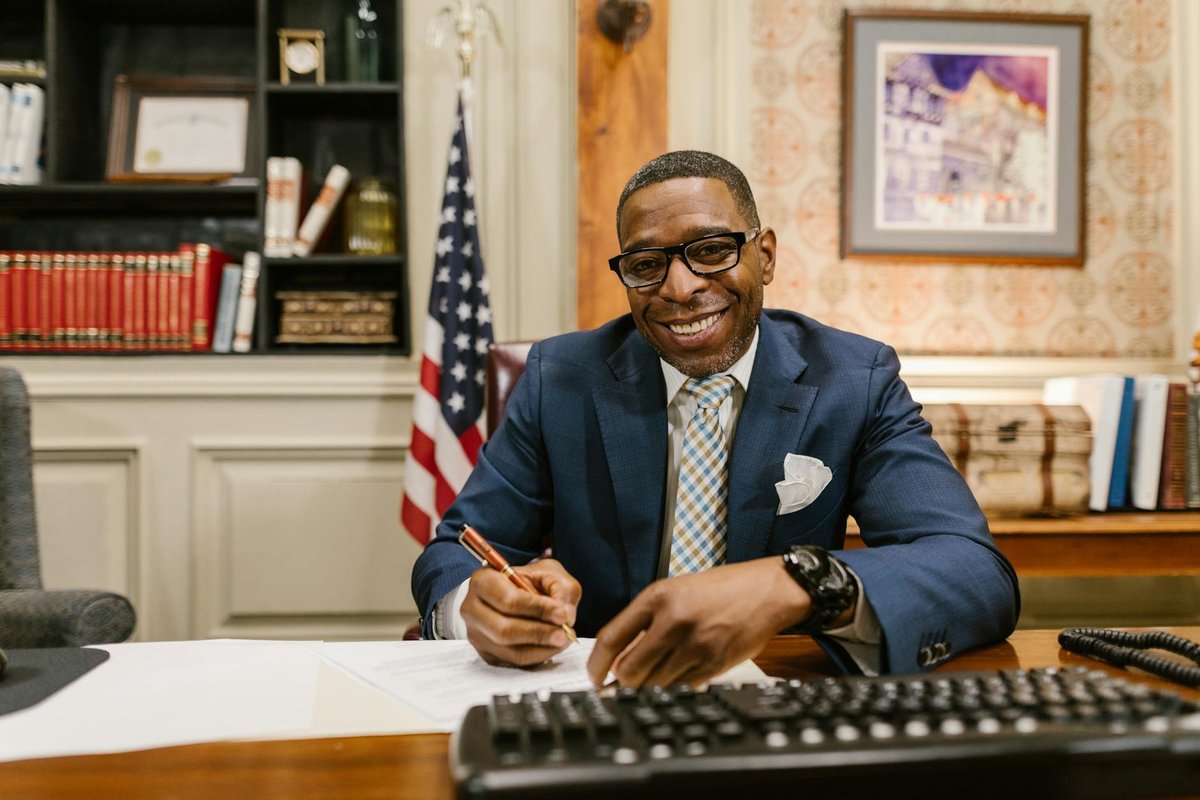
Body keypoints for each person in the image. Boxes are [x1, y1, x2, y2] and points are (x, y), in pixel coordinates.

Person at [411, 150, 1019, 686]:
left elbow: (973, 569)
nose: (678, 288)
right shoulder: (559, 378)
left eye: (709, 251)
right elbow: (457, 551)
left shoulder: (852, 379)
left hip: (776, 695)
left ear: (766, 255)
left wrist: (797, 583)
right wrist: (474, 603)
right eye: (647, 264)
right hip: (597, 693)